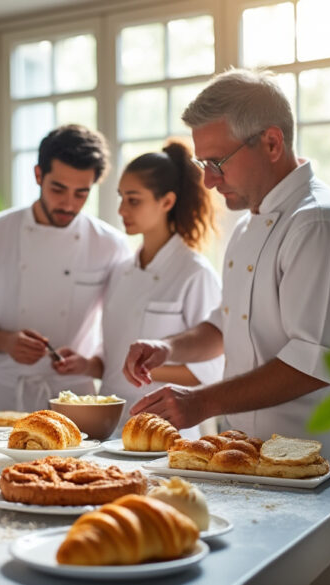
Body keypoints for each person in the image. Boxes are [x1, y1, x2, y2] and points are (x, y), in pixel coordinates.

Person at [123, 69, 330, 463]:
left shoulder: (319, 224)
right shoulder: (245, 228)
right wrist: (167, 347)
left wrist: (199, 403)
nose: (208, 180)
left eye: (217, 162)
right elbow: (226, 326)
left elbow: (311, 364)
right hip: (246, 457)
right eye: (202, 163)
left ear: (272, 142)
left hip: (316, 466)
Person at [53, 140, 224, 438]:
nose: (121, 209)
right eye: (121, 197)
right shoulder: (120, 271)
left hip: (167, 431)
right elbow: (114, 357)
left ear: (166, 202)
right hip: (110, 428)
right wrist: (88, 364)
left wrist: (139, 369)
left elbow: (207, 374)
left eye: (133, 200)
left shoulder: (194, 273)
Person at [0, 124, 130, 415]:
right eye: (58, 189)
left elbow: (118, 332)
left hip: (73, 397)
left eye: (81, 193)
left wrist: (88, 363)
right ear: (38, 175)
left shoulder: (109, 244)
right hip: (3, 394)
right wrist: (6, 342)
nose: (68, 203)